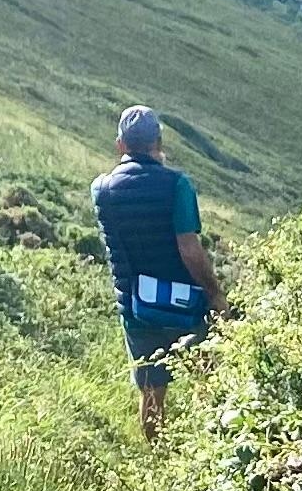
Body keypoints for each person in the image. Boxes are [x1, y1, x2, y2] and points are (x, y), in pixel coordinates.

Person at [91, 105, 220, 440]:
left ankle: (157, 456)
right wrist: (215, 294)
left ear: (120, 145)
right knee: (207, 380)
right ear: (159, 142)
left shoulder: (101, 190)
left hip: (137, 308)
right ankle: (208, 450)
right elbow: (189, 249)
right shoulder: (177, 185)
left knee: (151, 392)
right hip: (185, 307)